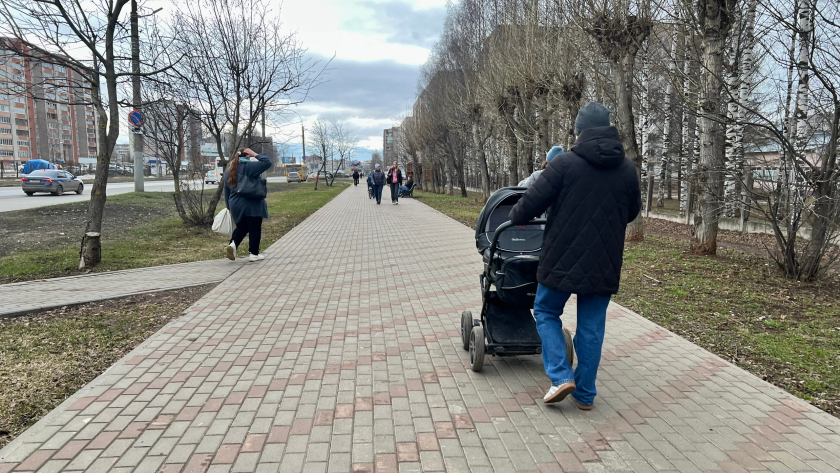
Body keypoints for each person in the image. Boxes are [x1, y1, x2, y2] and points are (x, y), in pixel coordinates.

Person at [508, 102, 641, 409]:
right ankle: (585, 394)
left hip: (561, 258)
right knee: (591, 327)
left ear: (580, 132)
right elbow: (632, 212)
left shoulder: (564, 164)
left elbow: (531, 203)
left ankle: (560, 376)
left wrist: (517, 217)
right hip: (604, 261)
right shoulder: (627, 169)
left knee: (545, 311)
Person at [224, 147, 272, 262]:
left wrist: (228, 206)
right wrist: (254, 154)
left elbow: (226, 190)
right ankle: (254, 254)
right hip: (252, 202)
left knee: (242, 227)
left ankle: (233, 244)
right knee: (255, 228)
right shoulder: (249, 167)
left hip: (235, 203)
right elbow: (267, 162)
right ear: (247, 156)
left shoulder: (229, 170)